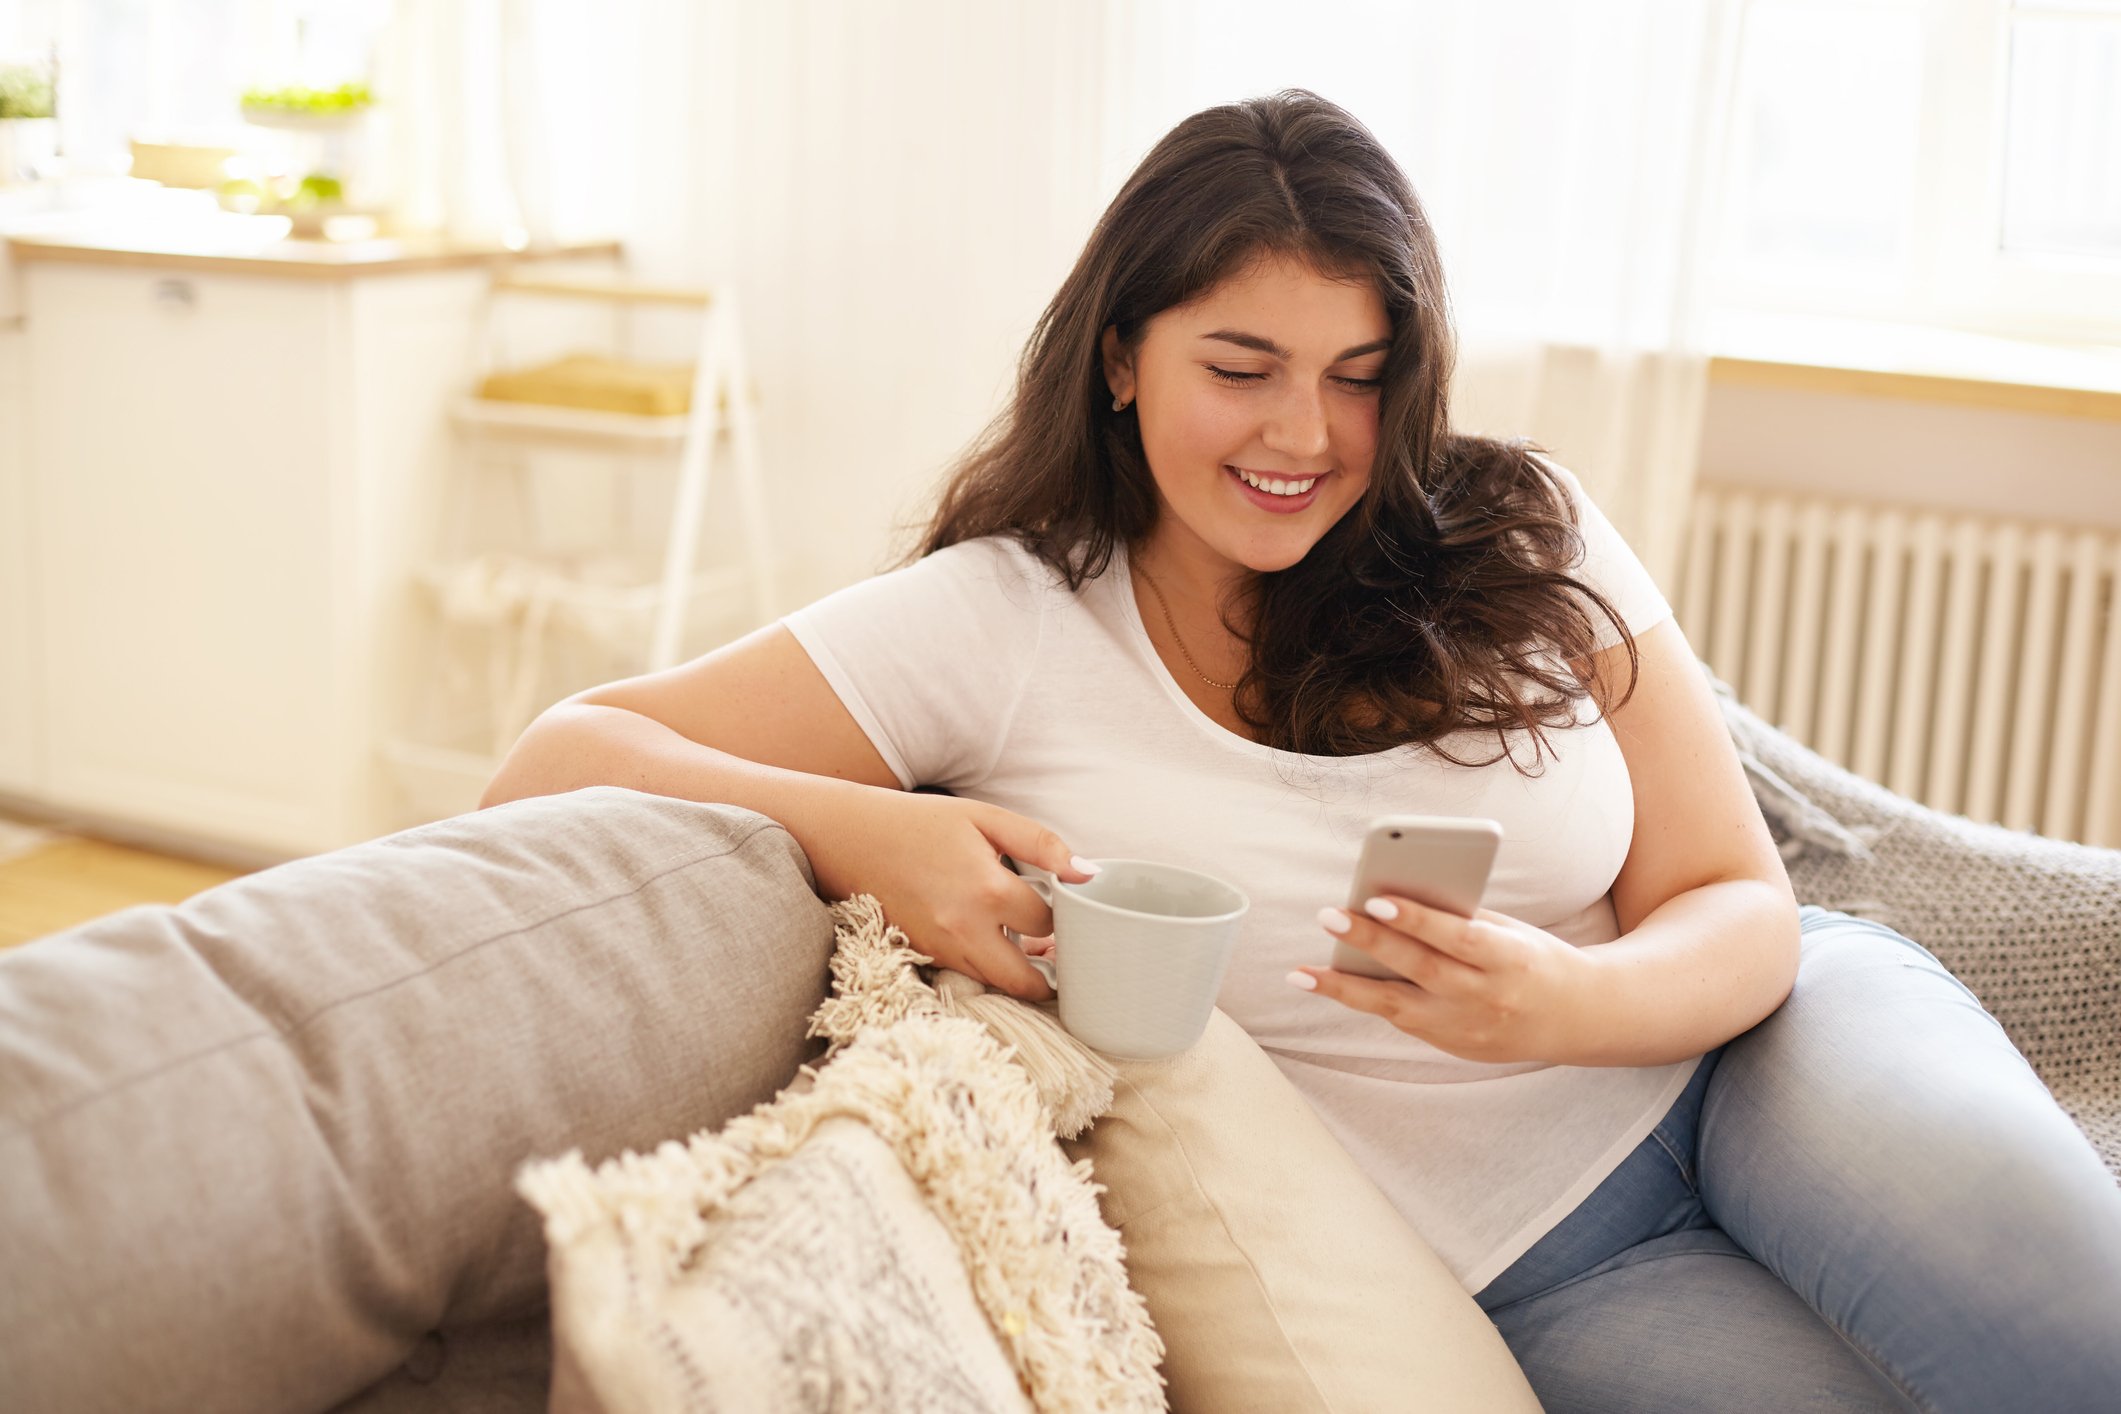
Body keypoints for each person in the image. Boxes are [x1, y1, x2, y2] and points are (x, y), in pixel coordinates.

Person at [482, 89, 2121, 1411]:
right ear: (1121, 358)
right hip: (1530, 1263)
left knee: (2070, 1330)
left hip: (1772, 1056)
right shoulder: (995, 621)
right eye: (1239, 366)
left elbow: (1734, 898)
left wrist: (1563, 1001)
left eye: (1357, 376)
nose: (1302, 438)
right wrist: (869, 829)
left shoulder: (1514, 522)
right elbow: (555, 756)